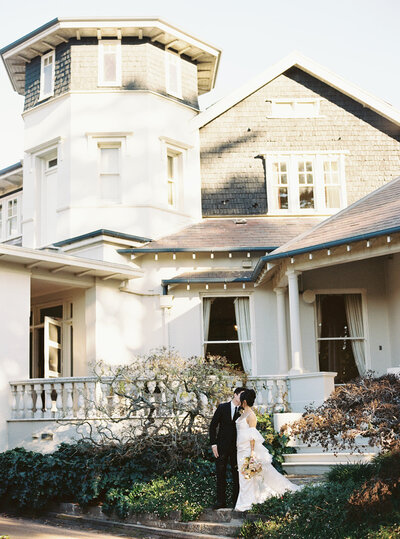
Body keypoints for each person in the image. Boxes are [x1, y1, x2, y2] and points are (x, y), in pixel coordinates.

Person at [235, 388, 300, 512]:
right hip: (240, 450)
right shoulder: (242, 413)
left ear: (244, 401)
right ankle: (246, 500)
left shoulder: (251, 416)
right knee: (243, 476)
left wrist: (253, 453)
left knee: (248, 476)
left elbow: (252, 436)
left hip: (248, 450)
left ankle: (247, 502)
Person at [209, 387, 246, 509]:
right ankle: (220, 501)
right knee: (220, 473)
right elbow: (213, 426)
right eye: (241, 395)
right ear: (235, 395)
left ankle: (236, 501)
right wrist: (214, 444)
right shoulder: (222, 407)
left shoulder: (244, 409)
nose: (242, 398)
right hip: (221, 447)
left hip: (237, 447)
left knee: (236, 474)